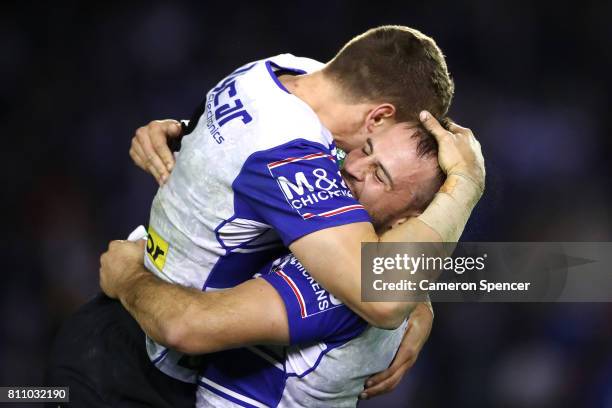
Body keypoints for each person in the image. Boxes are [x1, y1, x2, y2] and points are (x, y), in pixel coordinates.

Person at [49, 25, 485, 406]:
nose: (349, 164)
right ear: (379, 116)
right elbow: (384, 295)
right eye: (371, 146)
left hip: (143, 338)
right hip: (128, 361)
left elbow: (248, 145)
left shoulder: (284, 71)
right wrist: (465, 183)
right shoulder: (291, 153)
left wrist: (422, 300)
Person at [100, 122, 445, 407]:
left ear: (406, 221)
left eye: (379, 175)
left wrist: (127, 276)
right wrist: (185, 131)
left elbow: (183, 327)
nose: (352, 167)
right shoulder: (343, 229)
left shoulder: (342, 281)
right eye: (365, 149)